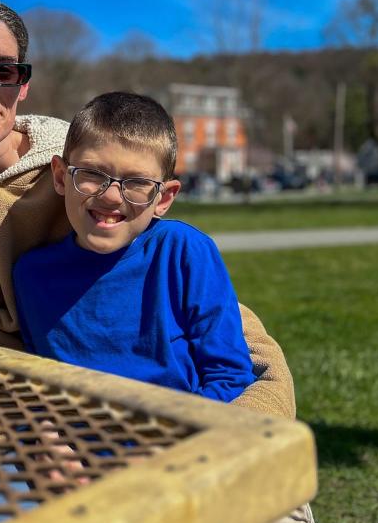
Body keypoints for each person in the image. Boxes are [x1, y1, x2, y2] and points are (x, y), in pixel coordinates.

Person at [0, 0, 314, 523]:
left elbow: (194, 307)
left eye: (4, 71)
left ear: (23, 83)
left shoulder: (93, 163)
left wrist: (239, 427)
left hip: (139, 430)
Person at [13, 91, 256, 401]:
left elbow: (230, 375)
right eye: (91, 173)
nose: (112, 196)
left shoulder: (183, 252)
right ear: (60, 177)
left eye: (138, 182)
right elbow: (37, 385)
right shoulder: (31, 275)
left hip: (177, 439)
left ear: (164, 198)